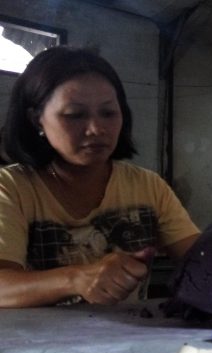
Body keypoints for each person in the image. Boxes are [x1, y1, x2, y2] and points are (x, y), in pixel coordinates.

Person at [0, 46, 200, 308]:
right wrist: (75, 279)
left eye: (108, 113)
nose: (96, 129)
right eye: (74, 115)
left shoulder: (148, 187)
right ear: (37, 119)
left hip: (128, 345)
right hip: (30, 346)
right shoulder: (12, 188)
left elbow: (204, 261)